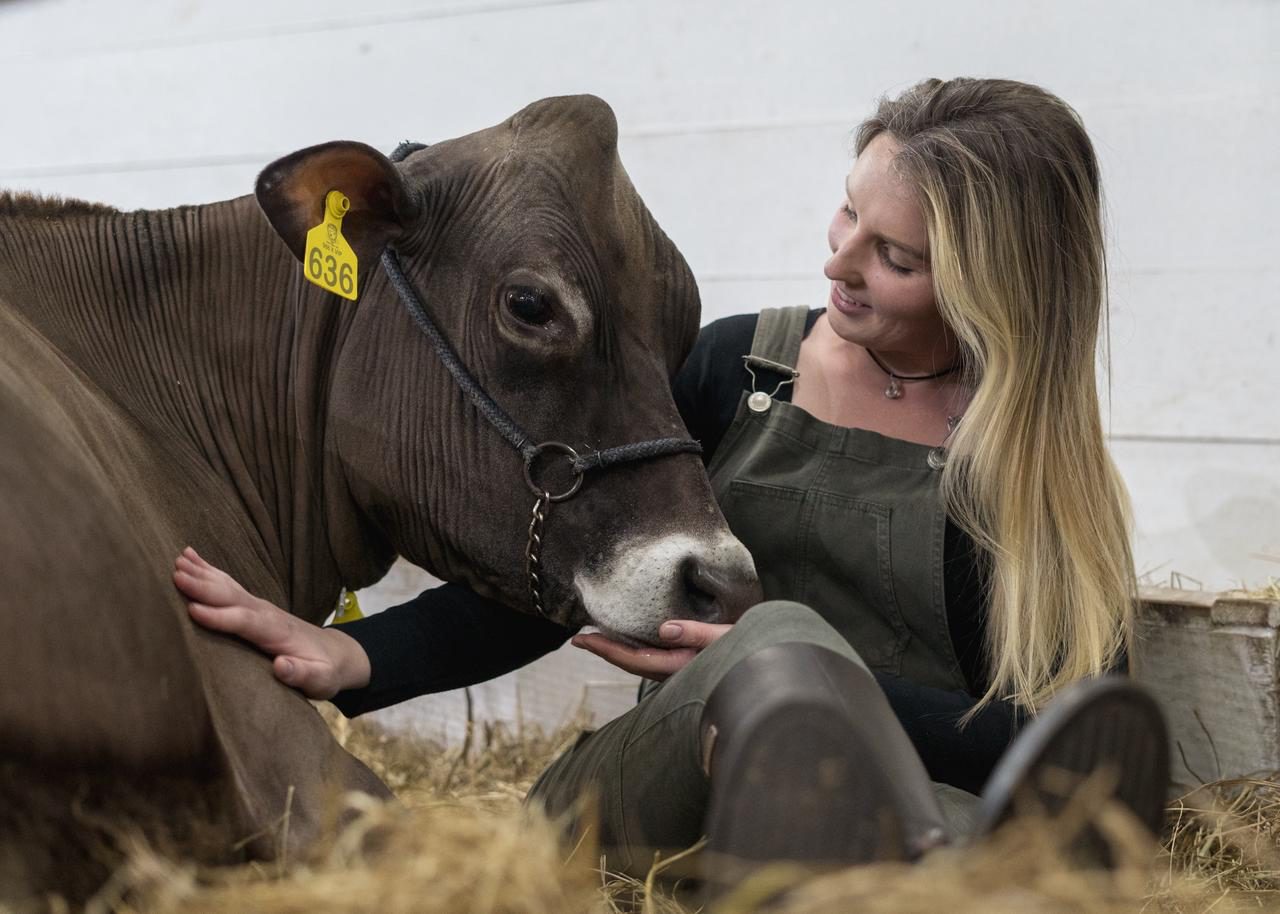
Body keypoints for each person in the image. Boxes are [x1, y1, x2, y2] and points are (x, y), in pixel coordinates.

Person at [173, 77, 1169, 890]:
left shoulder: (1031, 469)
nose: (838, 257)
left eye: (893, 257)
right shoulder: (733, 368)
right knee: (776, 645)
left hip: (898, 806)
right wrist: (352, 655)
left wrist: (855, 701)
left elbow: (1033, 736)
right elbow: (560, 569)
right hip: (656, 788)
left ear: (987, 283)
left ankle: (891, 859)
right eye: (847, 212)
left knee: (937, 818)